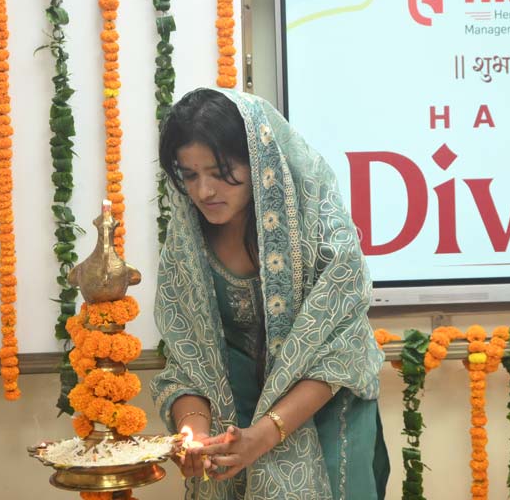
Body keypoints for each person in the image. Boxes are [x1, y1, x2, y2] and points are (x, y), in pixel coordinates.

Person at [150, 87, 389, 500]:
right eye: (189, 175)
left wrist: (264, 435)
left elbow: (340, 352)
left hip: (323, 414)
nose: (204, 191)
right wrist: (194, 435)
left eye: (220, 172)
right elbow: (188, 358)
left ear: (260, 162)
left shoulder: (322, 233)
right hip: (232, 419)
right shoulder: (188, 242)